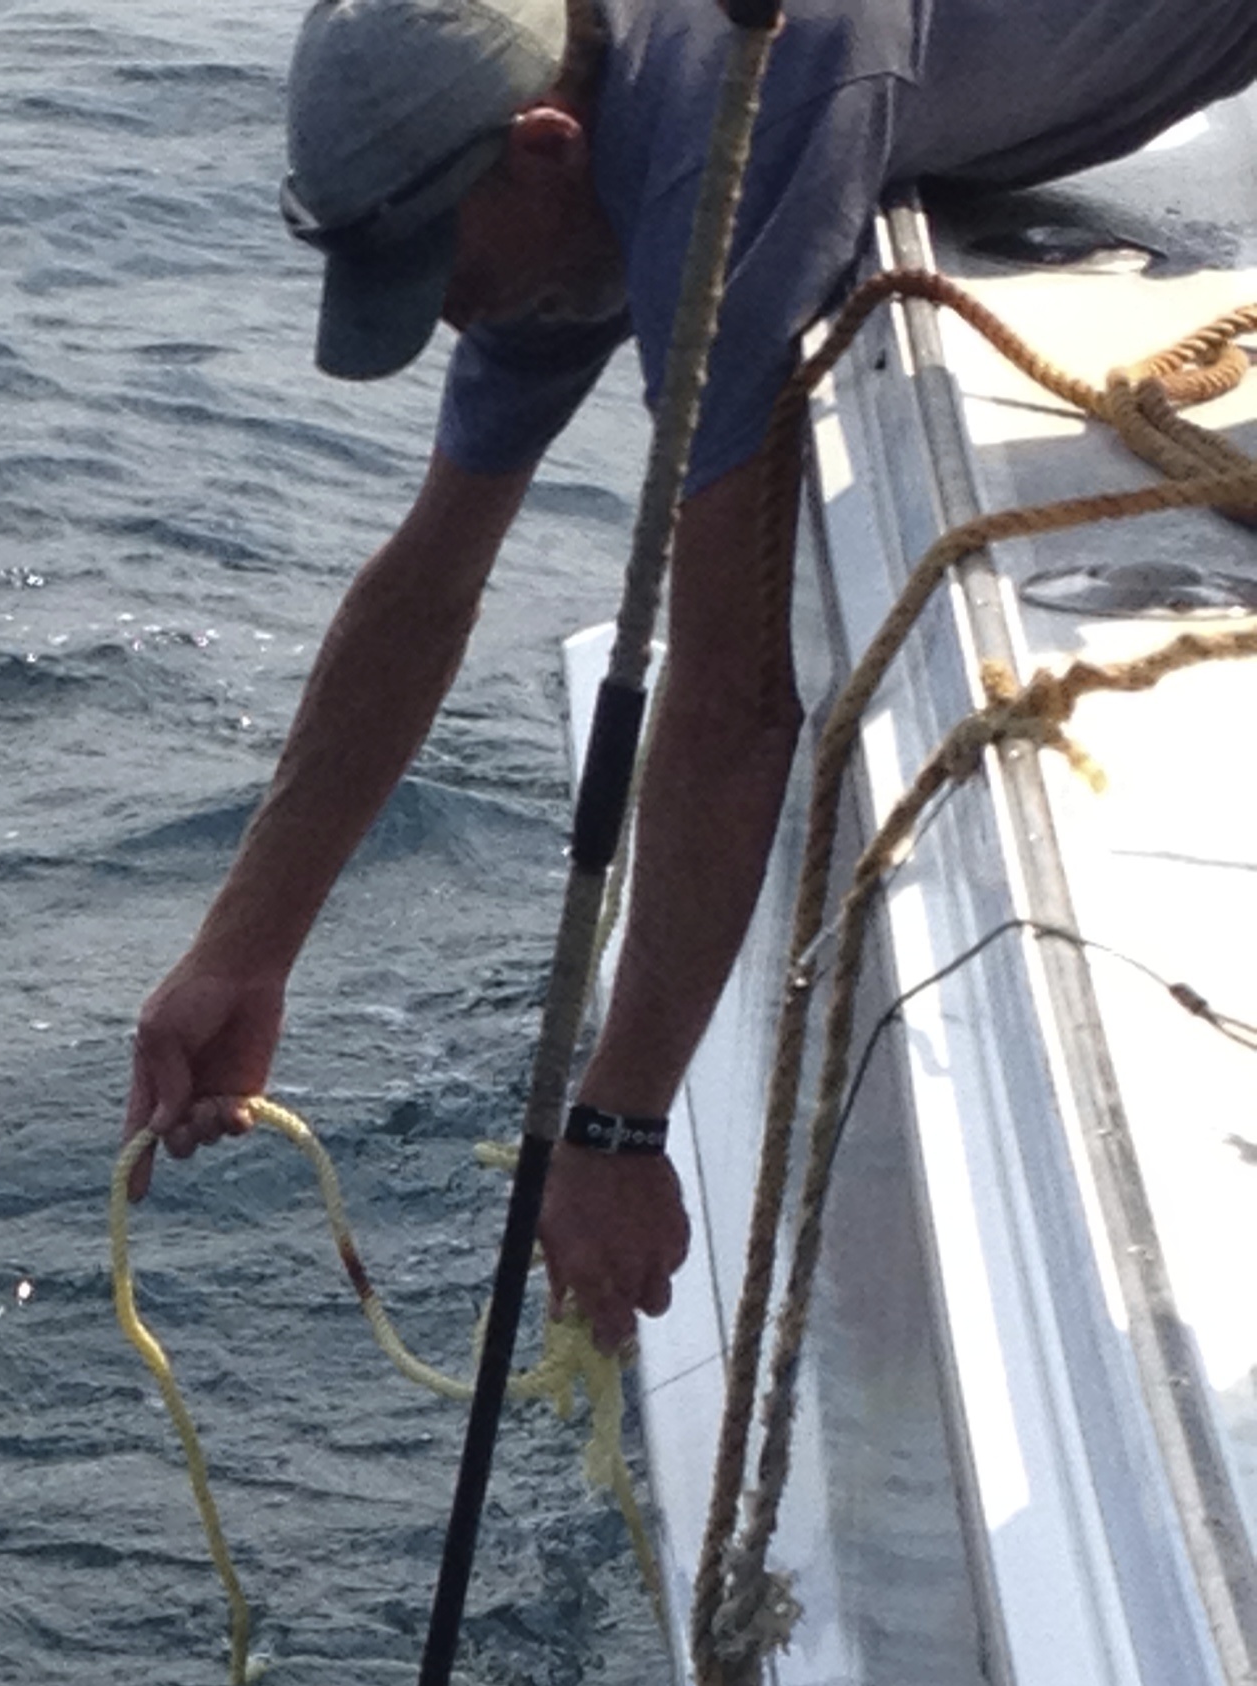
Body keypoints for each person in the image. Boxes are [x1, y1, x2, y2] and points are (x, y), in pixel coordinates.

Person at [120, 0, 1257, 1350]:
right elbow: (428, 580)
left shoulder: (737, 110)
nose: (446, 316)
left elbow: (730, 694)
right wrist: (242, 950)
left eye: (444, 268)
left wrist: (616, 1121)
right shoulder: (572, 143)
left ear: (544, 145)